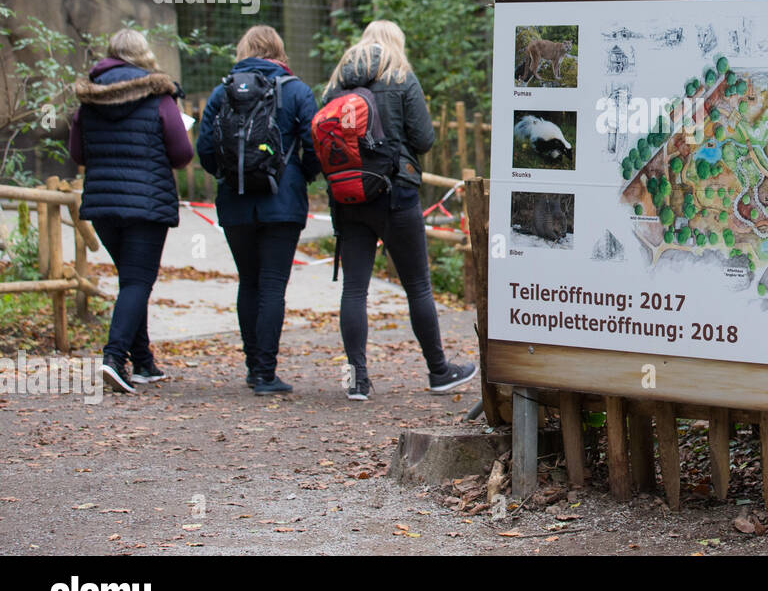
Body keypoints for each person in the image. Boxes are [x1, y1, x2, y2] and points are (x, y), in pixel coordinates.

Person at [321, 20, 476, 400]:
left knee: (354, 288)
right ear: (396, 43)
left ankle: (356, 380)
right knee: (418, 285)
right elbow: (424, 138)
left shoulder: (336, 83)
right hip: (395, 194)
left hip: (349, 197)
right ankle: (439, 371)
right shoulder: (400, 76)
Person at [196, 26, 320, 395]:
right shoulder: (296, 90)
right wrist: (302, 176)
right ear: (279, 52)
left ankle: (254, 368)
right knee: (271, 285)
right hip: (281, 202)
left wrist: (228, 175)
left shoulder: (223, 92)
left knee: (248, 281)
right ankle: (266, 372)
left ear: (244, 50)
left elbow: (205, 150)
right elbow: (314, 146)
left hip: (235, 203)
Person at [70, 29, 193, 393]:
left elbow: (78, 154)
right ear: (144, 55)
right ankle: (114, 357)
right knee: (138, 281)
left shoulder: (88, 100)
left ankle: (143, 362)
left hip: (104, 204)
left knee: (130, 280)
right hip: (147, 204)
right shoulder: (160, 97)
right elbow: (183, 154)